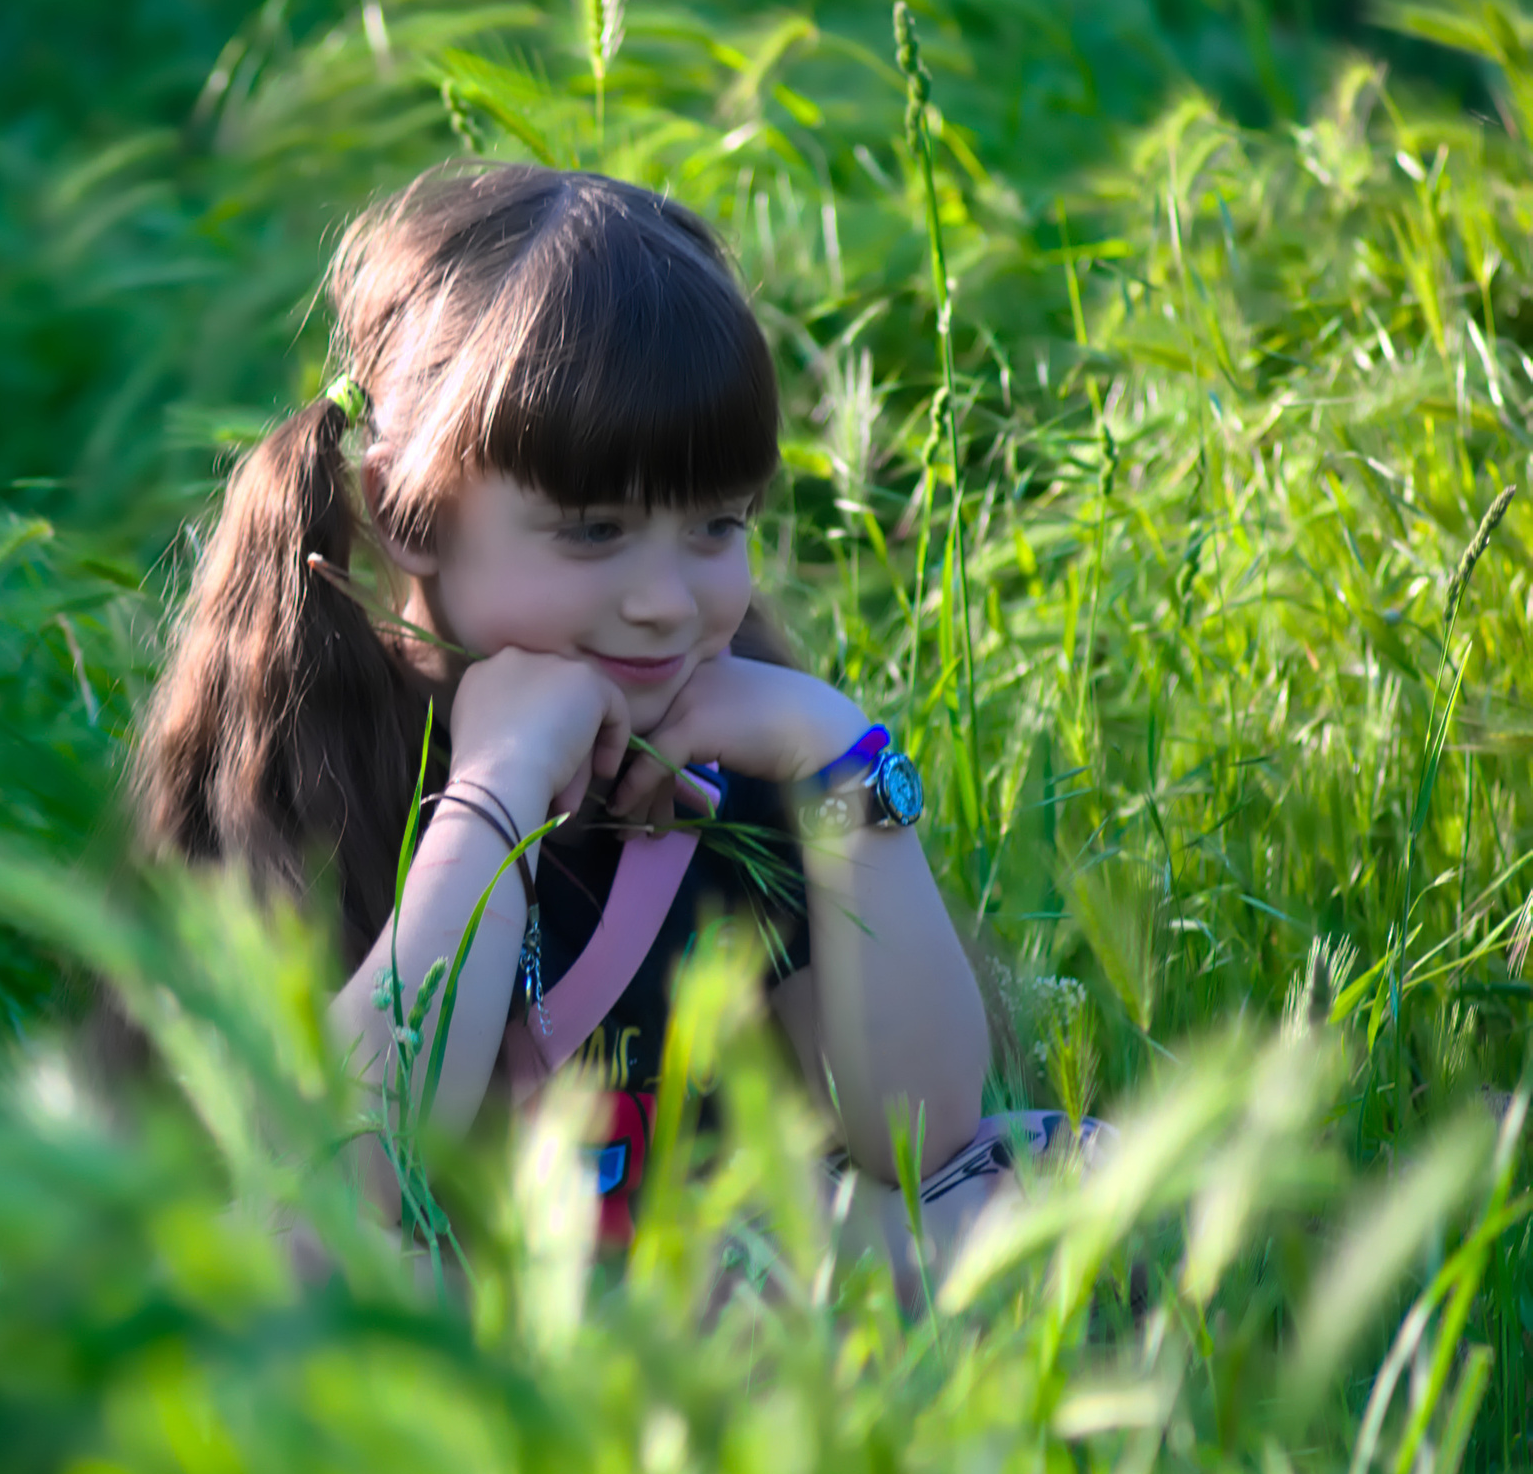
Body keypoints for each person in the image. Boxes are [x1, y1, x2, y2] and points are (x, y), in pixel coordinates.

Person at [131, 161, 1103, 1283]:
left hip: (724, 1286)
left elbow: (919, 1132)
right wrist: (493, 796)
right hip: (444, 1315)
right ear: (405, 512)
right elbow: (334, 1182)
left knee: (1086, 1179)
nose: (666, 601)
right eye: (594, 530)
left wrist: (845, 759)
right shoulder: (314, 756)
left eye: (716, 526)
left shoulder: (736, 746)